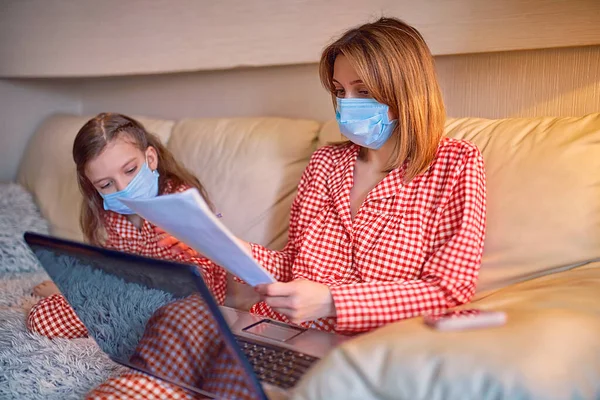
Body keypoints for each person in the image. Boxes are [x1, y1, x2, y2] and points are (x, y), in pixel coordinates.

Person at [87, 16, 487, 399]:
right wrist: (233, 250)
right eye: (339, 91)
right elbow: (295, 266)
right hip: (280, 330)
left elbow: (447, 290)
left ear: (404, 90)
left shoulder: (456, 164)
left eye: (362, 91)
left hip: (365, 347)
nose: (346, 105)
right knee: (179, 322)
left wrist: (331, 300)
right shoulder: (326, 164)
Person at [27, 113, 227, 339]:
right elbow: (113, 270)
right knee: (42, 318)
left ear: (150, 159)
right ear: (94, 187)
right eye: (107, 184)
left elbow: (201, 285)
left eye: (130, 170)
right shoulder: (111, 213)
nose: (123, 188)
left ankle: (87, 301)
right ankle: (80, 297)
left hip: (182, 305)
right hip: (130, 297)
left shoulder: (180, 202)